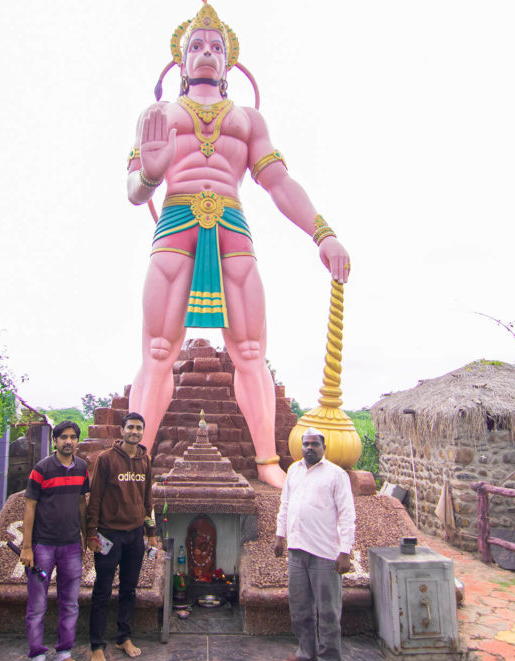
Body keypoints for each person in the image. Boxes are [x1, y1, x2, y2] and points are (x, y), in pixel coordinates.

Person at [126, 3, 352, 488]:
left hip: (232, 225)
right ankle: (136, 463)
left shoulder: (249, 119)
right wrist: (149, 170)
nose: (206, 52)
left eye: (215, 47)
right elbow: (135, 192)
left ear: (229, 65)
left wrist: (323, 232)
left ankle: (268, 462)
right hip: (175, 222)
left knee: (250, 348)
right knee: (160, 348)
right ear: (181, 61)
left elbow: (279, 183)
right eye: (196, 46)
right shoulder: (159, 115)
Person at [274, 428, 355, 661]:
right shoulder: (294, 471)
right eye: (305, 444)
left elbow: (347, 513)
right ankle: (306, 650)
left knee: (328, 610)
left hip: (325, 554)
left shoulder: (336, 475)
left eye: (314, 444)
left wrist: (345, 551)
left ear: (324, 447)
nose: (309, 448)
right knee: (299, 606)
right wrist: (279, 535)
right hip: (297, 550)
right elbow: (285, 503)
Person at [85, 412, 158, 661]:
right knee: (102, 591)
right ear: (122, 430)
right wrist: (91, 533)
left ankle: (123, 637)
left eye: (139, 428)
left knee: (129, 590)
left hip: (135, 535)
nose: (134, 431)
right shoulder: (106, 460)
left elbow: (148, 499)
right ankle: (97, 644)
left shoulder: (145, 460)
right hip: (109, 534)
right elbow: (94, 498)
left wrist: (151, 533)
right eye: (131, 427)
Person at [20, 420, 90, 661]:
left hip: (71, 546)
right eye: (63, 437)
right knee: (37, 604)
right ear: (55, 441)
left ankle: (64, 652)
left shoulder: (82, 468)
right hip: (43, 547)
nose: (68, 441)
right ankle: (37, 657)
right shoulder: (41, 470)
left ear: (77, 441)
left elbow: (82, 504)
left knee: (70, 602)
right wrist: (27, 547)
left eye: (72, 437)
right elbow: (29, 509)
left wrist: (85, 536)